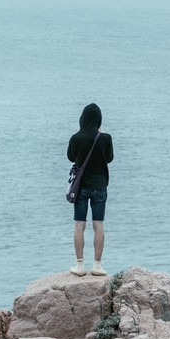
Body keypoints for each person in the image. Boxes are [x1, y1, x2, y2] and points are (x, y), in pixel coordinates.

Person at [67, 103, 114, 276]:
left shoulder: (76, 138)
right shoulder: (105, 138)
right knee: (98, 225)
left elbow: (71, 157)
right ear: (99, 119)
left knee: (79, 224)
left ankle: (79, 266)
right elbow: (109, 159)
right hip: (100, 186)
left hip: (81, 187)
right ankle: (97, 265)